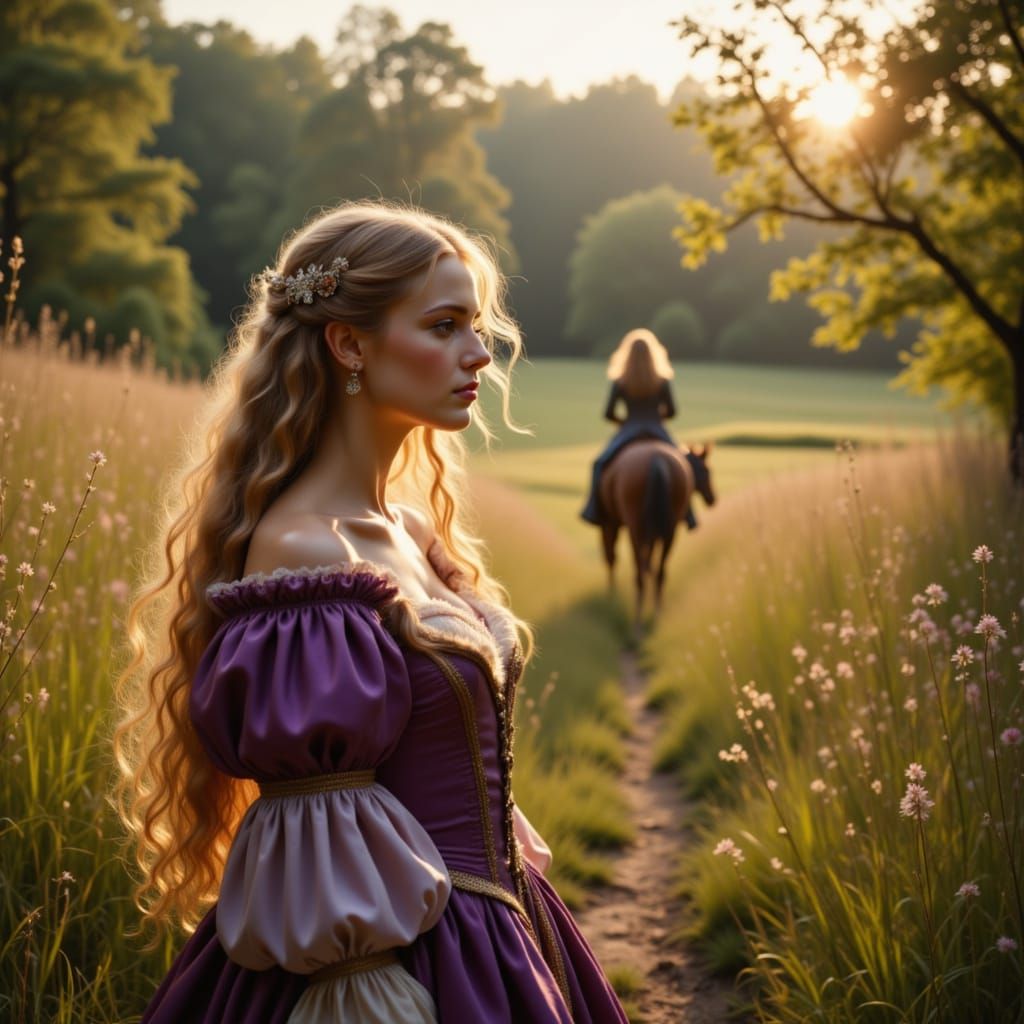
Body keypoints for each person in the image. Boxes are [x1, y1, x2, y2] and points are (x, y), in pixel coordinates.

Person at [114, 201, 628, 1023]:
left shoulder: (410, 529)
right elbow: (323, 849)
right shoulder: (304, 557)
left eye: (479, 324)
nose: (479, 350)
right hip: (395, 954)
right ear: (349, 344)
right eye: (445, 324)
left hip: (498, 921)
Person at [580, 328, 696, 530]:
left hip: (629, 429)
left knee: (599, 463)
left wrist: (623, 422)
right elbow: (672, 412)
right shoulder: (662, 381)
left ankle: (593, 510)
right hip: (657, 429)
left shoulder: (621, 381)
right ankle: (688, 513)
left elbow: (608, 413)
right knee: (684, 465)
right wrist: (659, 417)